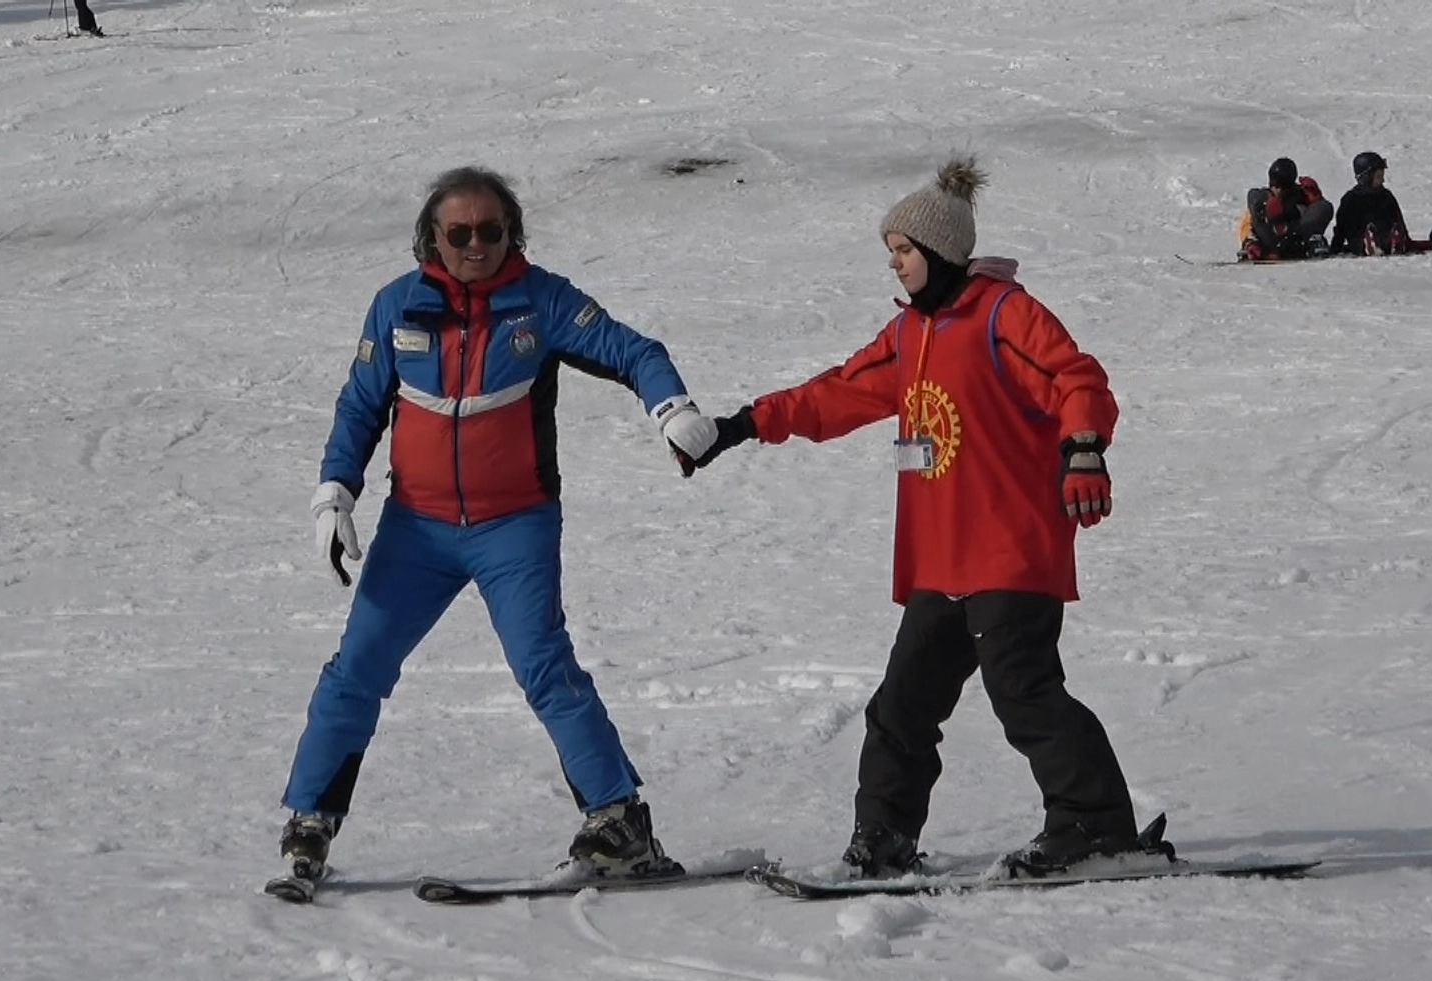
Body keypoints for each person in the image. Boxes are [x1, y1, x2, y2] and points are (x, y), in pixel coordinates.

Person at [689, 157, 1142, 878]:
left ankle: (1096, 827)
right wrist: (744, 424)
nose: (894, 265)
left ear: (939, 251)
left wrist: (1083, 449)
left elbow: (1075, 378)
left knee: (1024, 694)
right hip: (941, 560)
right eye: (891, 253)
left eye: (902, 251)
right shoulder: (908, 337)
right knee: (901, 707)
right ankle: (884, 839)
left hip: (1010, 549)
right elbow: (835, 393)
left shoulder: (1002, 314)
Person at [276, 165, 722, 882]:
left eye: (492, 230)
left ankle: (618, 820)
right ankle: (310, 820)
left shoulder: (540, 301)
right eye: (460, 233)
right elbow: (360, 407)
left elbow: (633, 351)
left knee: (543, 664)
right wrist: (334, 494)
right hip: (416, 530)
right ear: (433, 239)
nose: (477, 245)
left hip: (514, 525)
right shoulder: (396, 307)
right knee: (356, 666)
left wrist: (672, 408)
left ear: (512, 233)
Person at [1330, 151, 1426, 256]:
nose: (1383, 180)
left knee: (1389, 230)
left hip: (1384, 235)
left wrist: (1405, 239)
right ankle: (1371, 243)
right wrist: (1335, 248)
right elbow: (1341, 229)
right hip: (1360, 240)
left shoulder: (1386, 196)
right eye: (1379, 176)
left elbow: (1398, 219)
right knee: (1366, 232)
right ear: (1366, 177)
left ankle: (1394, 242)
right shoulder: (1351, 198)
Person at [1237, 157, 1333, 261]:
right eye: (1274, 185)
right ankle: (1255, 248)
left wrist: (1315, 197)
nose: (1277, 190)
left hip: (1297, 241)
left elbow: (1319, 214)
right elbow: (1247, 224)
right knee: (1255, 196)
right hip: (1270, 242)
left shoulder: (1301, 196)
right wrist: (1250, 241)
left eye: (1282, 186)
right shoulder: (1263, 200)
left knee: (1324, 206)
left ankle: (1312, 243)